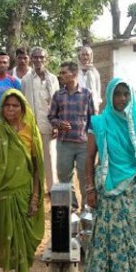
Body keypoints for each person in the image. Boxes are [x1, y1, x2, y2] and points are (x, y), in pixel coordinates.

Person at [84, 78, 136, 272]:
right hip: (109, 188)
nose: (122, 99)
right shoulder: (99, 123)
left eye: (126, 94)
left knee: (134, 237)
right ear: (109, 96)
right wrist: (89, 189)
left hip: (134, 189)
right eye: (118, 94)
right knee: (107, 238)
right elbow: (89, 159)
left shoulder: (135, 123)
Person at [0, 90, 44, 272]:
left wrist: (35, 197)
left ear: (22, 108)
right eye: (7, 105)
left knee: (22, 238)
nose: (11, 109)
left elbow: (37, 167)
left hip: (22, 192)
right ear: (1, 108)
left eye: (15, 105)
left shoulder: (30, 131)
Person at [49, 61, 95, 210]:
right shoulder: (58, 95)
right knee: (64, 177)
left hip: (83, 144)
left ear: (74, 74)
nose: (61, 75)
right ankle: (72, 206)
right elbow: (51, 117)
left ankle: (86, 208)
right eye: (60, 73)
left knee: (84, 176)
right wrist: (59, 124)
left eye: (64, 73)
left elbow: (92, 119)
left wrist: (92, 142)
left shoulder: (87, 94)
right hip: (64, 144)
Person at [21, 46, 60, 192]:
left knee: (50, 157)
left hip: (48, 124)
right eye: (35, 57)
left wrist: (56, 124)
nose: (38, 60)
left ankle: (52, 190)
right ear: (31, 59)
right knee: (32, 158)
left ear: (46, 59)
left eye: (41, 57)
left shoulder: (53, 79)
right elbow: (23, 103)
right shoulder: (26, 80)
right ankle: (34, 189)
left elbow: (57, 102)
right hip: (31, 125)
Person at [77, 46, 101, 113]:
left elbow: (98, 91)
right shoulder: (75, 71)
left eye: (87, 55)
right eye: (83, 54)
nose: (85, 57)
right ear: (79, 56)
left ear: (91, 56)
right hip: (77, 106)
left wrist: (96, 106)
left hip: (92, 107)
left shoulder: (94, 72)